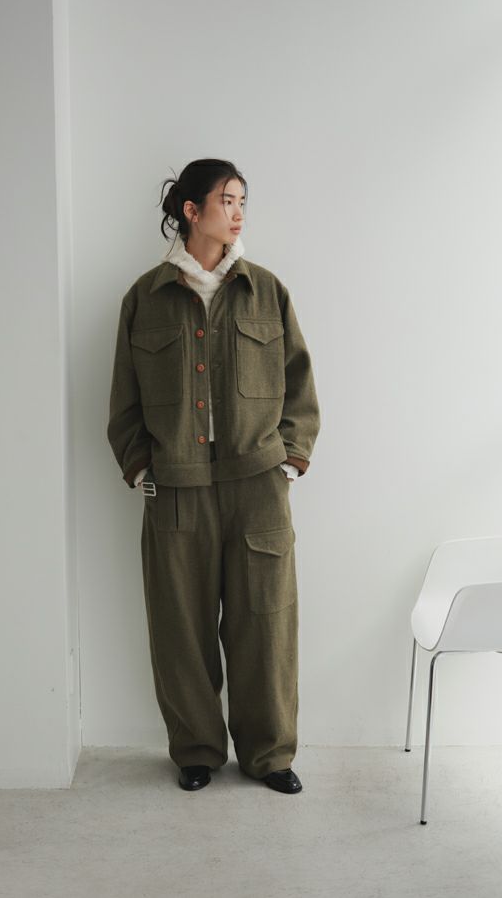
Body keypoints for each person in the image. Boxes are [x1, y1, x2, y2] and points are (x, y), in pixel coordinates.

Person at [107, 158, 320, 793]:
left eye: (243, 201)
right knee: (182, 628)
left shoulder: (267, 291)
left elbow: (300, 384)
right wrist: (141, 468)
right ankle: (196, 750)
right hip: (175, 491)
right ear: (191, 210)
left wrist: (291, 458)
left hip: (259, 488)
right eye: (227, 200)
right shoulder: (144, 299)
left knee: (266, 624)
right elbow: (124, 400)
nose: (239, 212)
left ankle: (269, 755)